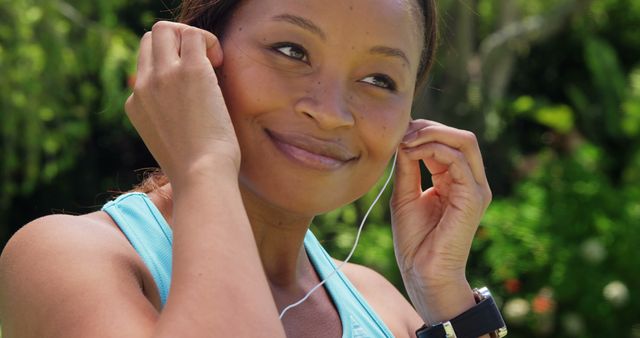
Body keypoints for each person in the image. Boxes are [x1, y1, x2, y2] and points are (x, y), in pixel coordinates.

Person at [0, 0, 504, 337]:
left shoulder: (385, 307)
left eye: (378, 78)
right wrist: (204, 166)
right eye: (292, 51)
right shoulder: (68, 262)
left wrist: (445, 299)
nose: (331, 111)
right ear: (197, 54)